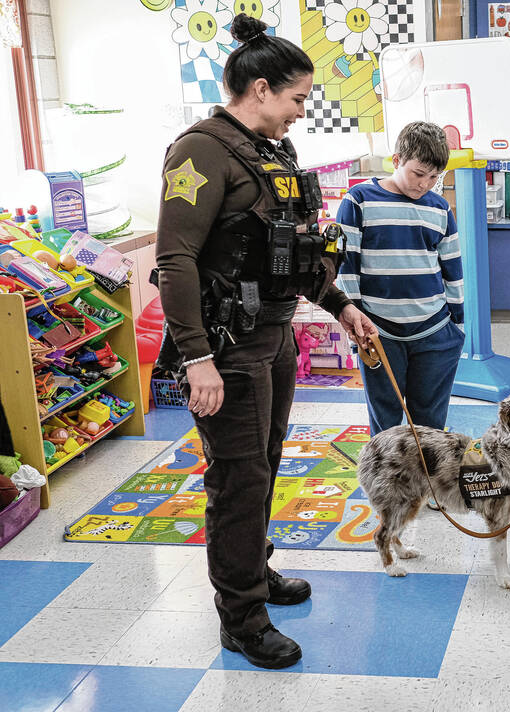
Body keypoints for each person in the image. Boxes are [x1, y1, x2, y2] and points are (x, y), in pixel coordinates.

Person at [155, 13, 377, 670]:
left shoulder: (274, 153)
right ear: (260, 89)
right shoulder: (200, 151)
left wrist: (340, 306)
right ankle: (242, 618)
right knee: (237, 480)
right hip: (227, 349)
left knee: (264, 468)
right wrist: (197, 358)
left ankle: (253, 569)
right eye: (297, 99)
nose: (301, 112)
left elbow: (292, 253)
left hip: (275, 338)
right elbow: (174, 261)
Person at [335, 121, 464, 436]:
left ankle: (426, 471)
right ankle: (385, 471)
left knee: (431, 426)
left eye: (434, 177)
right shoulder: (359, 199)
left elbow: (452, 269)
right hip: (379, 332)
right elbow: (346, 267)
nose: (424, 184)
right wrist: (356, 326)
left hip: (434, 331)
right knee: (385, 424)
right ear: (396, 161)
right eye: (418, 174)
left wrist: (457, 327)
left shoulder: (440, 208)